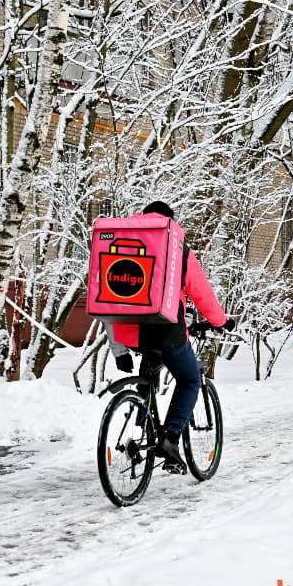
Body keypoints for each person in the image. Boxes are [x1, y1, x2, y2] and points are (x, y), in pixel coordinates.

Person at [104, 201, 234, 474]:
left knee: (148, 373)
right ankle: (170, 439)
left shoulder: (124, 243)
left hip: (130, 333)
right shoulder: (176, 250)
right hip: (166, 332)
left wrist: (119, 350)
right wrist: (220, 322)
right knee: (189, 380)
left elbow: (107, 296)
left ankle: (142, 425)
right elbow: (202, 293)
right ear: (170, 223)